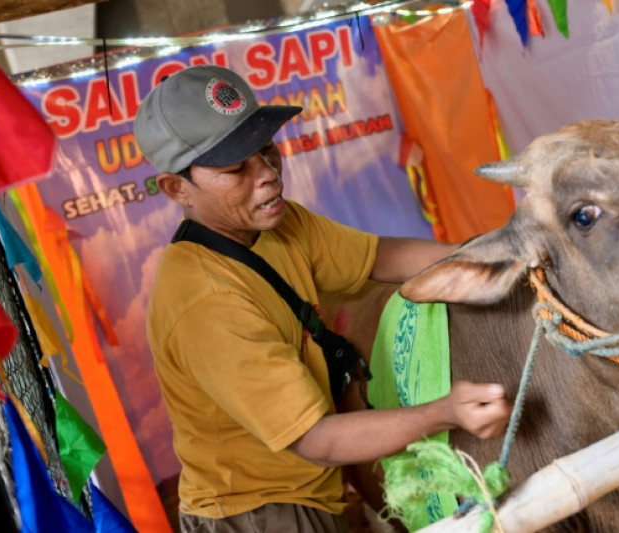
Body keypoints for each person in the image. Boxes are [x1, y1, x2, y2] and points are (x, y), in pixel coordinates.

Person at [134, 65, 512, 533]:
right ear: (177, 189)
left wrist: (492, 255)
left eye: (267, 149)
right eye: (235, 169)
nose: (268, 175)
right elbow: (316, 439)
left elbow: (379, 257)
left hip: (316, 492)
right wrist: (444, 413)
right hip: (257, 513)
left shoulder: (279, 222)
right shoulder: (205, 302)